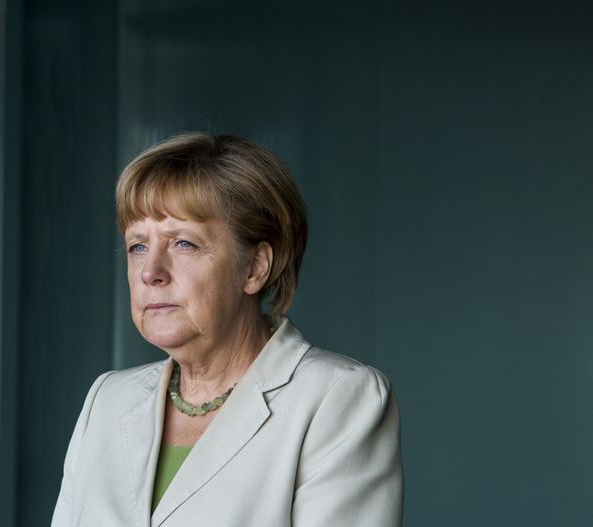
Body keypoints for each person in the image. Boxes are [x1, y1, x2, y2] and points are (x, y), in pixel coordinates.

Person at [51, 133, 402, 526]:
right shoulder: (107, 400)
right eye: (137, 246)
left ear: (254, 268)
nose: (151, 272)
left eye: (183, 243)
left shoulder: (337, 398)